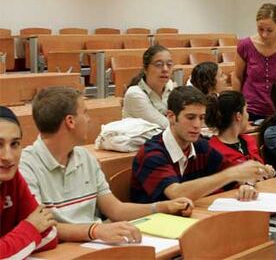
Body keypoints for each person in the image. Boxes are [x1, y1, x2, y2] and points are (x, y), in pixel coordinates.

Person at [19, 87, 193, 244]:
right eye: (85, 113)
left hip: (92, 244)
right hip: (59, 249)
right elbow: (40, 226)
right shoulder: (26, 166)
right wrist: (95, 231)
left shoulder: (86, 158)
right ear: (70, 121)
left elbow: (116, 210)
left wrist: (162, 207)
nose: (88, 119)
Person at [131, 86, 271, 203]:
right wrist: (232, 174)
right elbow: (176, 194)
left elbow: (233, 175)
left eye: (201, 118)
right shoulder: (152, 152)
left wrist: (245, 185)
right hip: (152, 227)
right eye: (190, 117)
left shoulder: (201, 146)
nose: (197, 125)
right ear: (171, 117)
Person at [0, 106, 57, 258]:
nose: (8, 156)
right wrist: (30, 227)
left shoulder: (13, 178)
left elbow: (49, 235)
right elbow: (36, 227)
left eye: (15, 144)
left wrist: (10, 245)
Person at [233, 3, 276, 121]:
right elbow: (237, 77)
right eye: (260, 29)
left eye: (269, 30)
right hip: (250, 110)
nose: (264, 34)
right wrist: (237, 106)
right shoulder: (245, 45)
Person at [205, 91, 275, 174]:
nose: (248, 115)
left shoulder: (249, 140)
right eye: (246, 111)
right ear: (238, 116)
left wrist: (268, 171)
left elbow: (260, 169)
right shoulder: (213, 150)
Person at [123, 45, 175, 129]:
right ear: (145, 69)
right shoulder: (134, 94)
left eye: (169, 64)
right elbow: (165, 125)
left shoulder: (170, 85)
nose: (165, 69)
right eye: (159, 65)